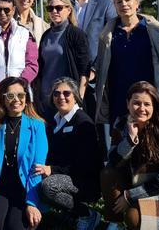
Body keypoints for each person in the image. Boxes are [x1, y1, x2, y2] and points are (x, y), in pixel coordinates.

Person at [100, 82, 159, 230]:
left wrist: (128, 197)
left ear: (154, 107)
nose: (142, 108)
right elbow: (113, 161)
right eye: (136, 103)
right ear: (128, 103)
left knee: (133, 217)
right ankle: (116, 222)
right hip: (138, 181)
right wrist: (130, 140)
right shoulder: (120, 124)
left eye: (147, 104)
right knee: (108, 173)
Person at [94, 0, 159, 141]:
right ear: (114, 5)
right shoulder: (107, 34)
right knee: (122, 145)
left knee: (151, 141)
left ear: (137, 3)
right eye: (119, 2)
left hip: (147, 99)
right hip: (119, 98)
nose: (124, 5)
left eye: (127, 0)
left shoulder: (153, 31)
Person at [35, 77, 102, 230]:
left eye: (66, 93)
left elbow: (85, 163)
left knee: (48, 187)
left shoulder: (83, 123)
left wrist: (52, 170)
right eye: (56, 94)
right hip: (63, 174)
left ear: (75, 96)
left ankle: (86, 213)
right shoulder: (54, 120)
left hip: (84, 180)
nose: (61, 97)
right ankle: (70, 214)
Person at [0, 76, 47, 230]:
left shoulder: (37, 126)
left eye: (21, 95)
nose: (16, 100)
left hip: (25, 190)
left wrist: (32, 203)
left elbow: (37, 169)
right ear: (3, 99)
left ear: (26, 98)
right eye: (10, 95)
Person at [68, 0, 117, 117]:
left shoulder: (106, 4)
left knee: (102, 127)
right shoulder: (64, 5)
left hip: (98, 76)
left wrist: (94, 70)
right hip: (72, 74)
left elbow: (112, 39)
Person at [33, 0, 91, 118]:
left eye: (59, 8)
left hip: (67, 99)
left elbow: (84, 69)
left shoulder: (76, 34)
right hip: (46, 97)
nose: (54, 11)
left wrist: (78, 98)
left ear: (69, 10)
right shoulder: (46, 35)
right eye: (50, 8)